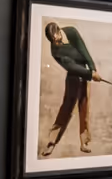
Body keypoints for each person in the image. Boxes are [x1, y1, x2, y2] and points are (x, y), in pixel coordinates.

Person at [40, 21, 103, 157]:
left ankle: (84, 142)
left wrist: (92, 68)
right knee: (66, 108)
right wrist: (90, 74)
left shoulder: (71, 32)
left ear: (58, 32)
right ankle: (52, 142)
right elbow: (71, 67)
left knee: (84, 108)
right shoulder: (55, 50)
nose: (55, 42)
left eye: (55, 38)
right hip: (73, 76)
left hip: (86, 75)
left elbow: (83, 50)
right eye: (52, 41)